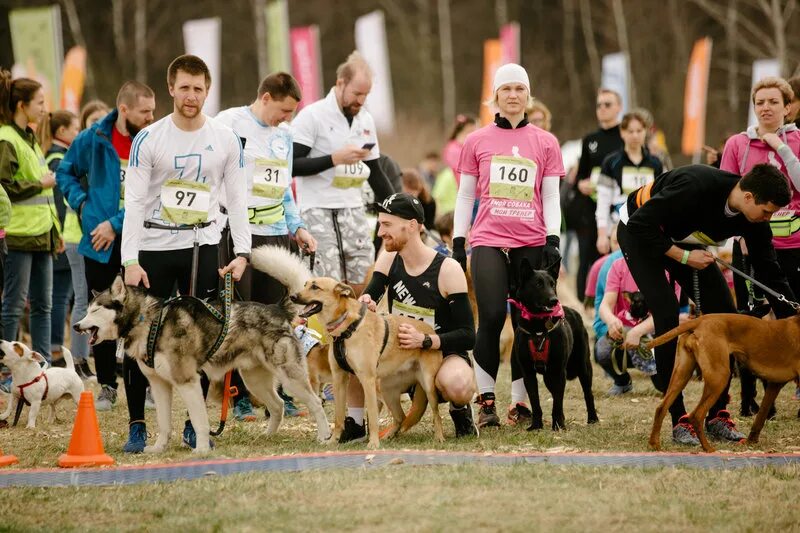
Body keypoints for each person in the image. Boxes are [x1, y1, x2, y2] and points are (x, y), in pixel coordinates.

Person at [121, 54, 250, 453]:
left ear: (207, 91)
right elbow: (135, 203)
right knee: (138, 337)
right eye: (184, 88)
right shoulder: (149, 138)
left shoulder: (225, 138)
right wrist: (129, 260)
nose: (191, 96)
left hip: (204, 245)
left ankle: (197, 425)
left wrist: (242, 252)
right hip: (155, 247)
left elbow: (238, 198)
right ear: (171, 88)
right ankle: (137, 424)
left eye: (198, 88)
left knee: (208, 337)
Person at [617, 163, 795, 446]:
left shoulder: (754, 219)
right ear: (749, 197)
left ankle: (717, 415)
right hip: (640, 230)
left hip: (682, 238)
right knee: (666, 313)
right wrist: (683, 257)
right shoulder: (695, 185)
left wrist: (794, 313)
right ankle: (678, 419)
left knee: (724, 315)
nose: (767, 218)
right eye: (767, 211)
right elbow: (641, 223)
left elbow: (768, 269)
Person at [452, 63, 565, 428]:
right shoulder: (476, 140)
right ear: (495, 97)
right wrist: (458, 240)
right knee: (491, 318)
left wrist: (553, 237)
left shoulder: (546, 142)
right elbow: (466, 193)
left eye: (519, 89)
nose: (513, 95)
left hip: (531, 241)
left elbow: (550, 196)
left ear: (527, 95)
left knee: (524, 322)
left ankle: (521, 403)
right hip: (488, 239)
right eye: (506, 90)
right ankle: (486, 402)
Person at [215, 71, 317, 421]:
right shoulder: (229, 123)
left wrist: (297, 226)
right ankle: (239, 395)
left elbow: (284, 185)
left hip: (275, 230)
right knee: (239, 317)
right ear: (266, 97)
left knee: (277, 316)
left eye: (292, 113)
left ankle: (281, 391)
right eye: (284, 110)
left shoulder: (284, 136)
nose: (287, 118)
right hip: (238, 231)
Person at [57, 80, 156, 411]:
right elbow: (65, 173)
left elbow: (154, 192)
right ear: (124, 110)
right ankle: (106, 386)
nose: (151, 117)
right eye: (145, 111)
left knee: (143, 311)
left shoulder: (153, 140)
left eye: (153, 111)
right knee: (100, 311)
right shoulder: (94, 138)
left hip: (139, 238)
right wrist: (82, 204)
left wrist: (115, 224)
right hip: (98, 242)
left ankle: (150, 381)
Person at [357, 192, 478, 438]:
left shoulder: (448, 269)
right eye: (380, 224)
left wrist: (425, 341)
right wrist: (364, 303)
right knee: (354, 354)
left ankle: (460, 410)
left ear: (411, 226)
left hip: (442, 354)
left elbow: (468, 336)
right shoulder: (389, 259)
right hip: (403, 358)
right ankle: (354, 424)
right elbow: (372, 296)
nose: (380, 232)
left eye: (387, 225)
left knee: (457, 383)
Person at [291, 51, 394, 296]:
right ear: (340, 84)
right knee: (328, 286)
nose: (361, 100)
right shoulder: (312, 115)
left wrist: (398, 208)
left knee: (363, 280)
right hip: (317, 208)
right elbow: (292, 165)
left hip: (352, 207)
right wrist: (333, 159)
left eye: (366, 95)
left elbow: (376, 172)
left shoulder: (365, 120)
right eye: (357, 93)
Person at [0, 71, 60, 362]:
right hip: (19, 236)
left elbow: (44, 199)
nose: (44, 108)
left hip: (42, 235)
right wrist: (40, 184)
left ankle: (43, 365)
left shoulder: (30, 137)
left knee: (43, 306)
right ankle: (7, 369)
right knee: (13, 306)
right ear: (21, 105)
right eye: (39, 102)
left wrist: (55, 232)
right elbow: (5, 187)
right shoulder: (6, 138)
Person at [41, 110, 92, 378]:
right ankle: (71, 356)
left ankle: (66, 351)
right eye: (74, 128)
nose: (77, 133)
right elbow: (61, 202)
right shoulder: (58, 159)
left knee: (67, 296)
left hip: (66, 236)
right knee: (67, 297)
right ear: (61, 131)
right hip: (69, 236)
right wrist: (58, 232)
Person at [569, 89, 623, 300]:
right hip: (590, 209)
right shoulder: (590, 139)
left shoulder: (625, 136)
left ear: (619, 107)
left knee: (615, 257)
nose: (602, 109)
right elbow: (580, 176)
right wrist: (581, 185)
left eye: (607, 104)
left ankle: (617, 302)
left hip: (617, 209)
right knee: (585, 259)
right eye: (599, 105)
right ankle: (584, 306)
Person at [596, 111, 663, 255]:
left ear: (645, 132)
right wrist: (602, 235)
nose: (635, 135)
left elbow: (663, 198)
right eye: (630, 131)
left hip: (648, 228)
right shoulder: (610, 162)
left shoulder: (656, 163)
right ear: (622, 132)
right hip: (618, 228)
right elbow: (602, 201)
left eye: (639, 131)